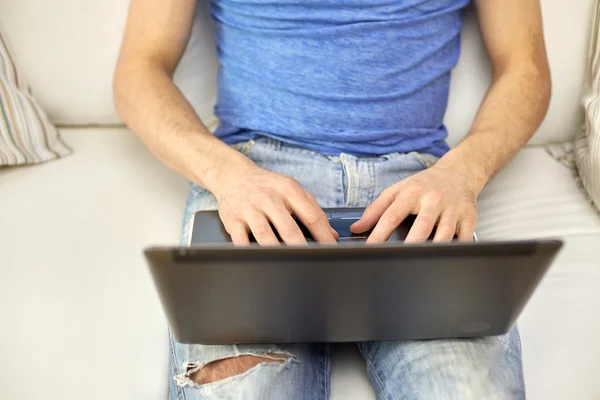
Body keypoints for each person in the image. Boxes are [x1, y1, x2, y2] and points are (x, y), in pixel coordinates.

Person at [114, 0, 550, 398]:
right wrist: (228, 175)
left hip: (418, 188)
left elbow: (524, 65)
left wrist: (462, 172)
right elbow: (141, 68)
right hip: (251, 178)